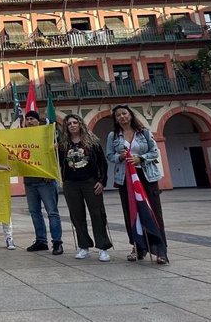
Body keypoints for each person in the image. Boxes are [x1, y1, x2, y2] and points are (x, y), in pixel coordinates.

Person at [106, 104, 168, 264]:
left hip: (146, 176)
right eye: (118, 115)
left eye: (124, 113)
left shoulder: (144, 132)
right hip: (125, 178)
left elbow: (155, 152)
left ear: (130, 115)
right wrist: (119, 157)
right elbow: (109, 155)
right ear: (116, 119)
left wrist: (141, 158)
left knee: (153, 211)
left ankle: (160, 250)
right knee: (131, 212)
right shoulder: (113, 136)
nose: (122, 117)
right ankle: (137, 246)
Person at [58, 114, 112, 262]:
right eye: (69, 124)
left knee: (97, 214)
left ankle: (103, 247)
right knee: (77, 216)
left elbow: (102, 163)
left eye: (75, 122)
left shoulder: (92, 141)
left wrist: (102, 181)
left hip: (90, 182)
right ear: (66, 127)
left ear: (80, 124)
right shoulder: (63, 144)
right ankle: (83, 246)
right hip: (71, 183)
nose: (72, 125)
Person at [23, 111, 63, 255]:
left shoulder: (47, 135)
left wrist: (50, 172)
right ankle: (41, 240)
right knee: (34, 212)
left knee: (52, 212)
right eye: (27, 119)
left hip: (45, 179)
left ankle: (57, 242)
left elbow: (53, 154)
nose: (29, 121)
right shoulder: (23, 137)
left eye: (32, 119)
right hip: (29, 180)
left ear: (38, 121)